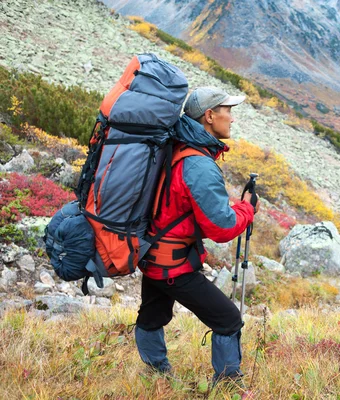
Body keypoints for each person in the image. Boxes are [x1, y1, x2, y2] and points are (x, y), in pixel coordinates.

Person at [134, 86, 259, 389]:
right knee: (227, 320)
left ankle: (156, 375)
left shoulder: (176, 147)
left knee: (152, 314)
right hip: (173, 265)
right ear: (209, 115)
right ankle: (228, 386)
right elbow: (221, 229)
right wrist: (247, 209)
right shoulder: (199, 164)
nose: (232, 118)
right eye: (227, 110)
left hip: (151, 255)